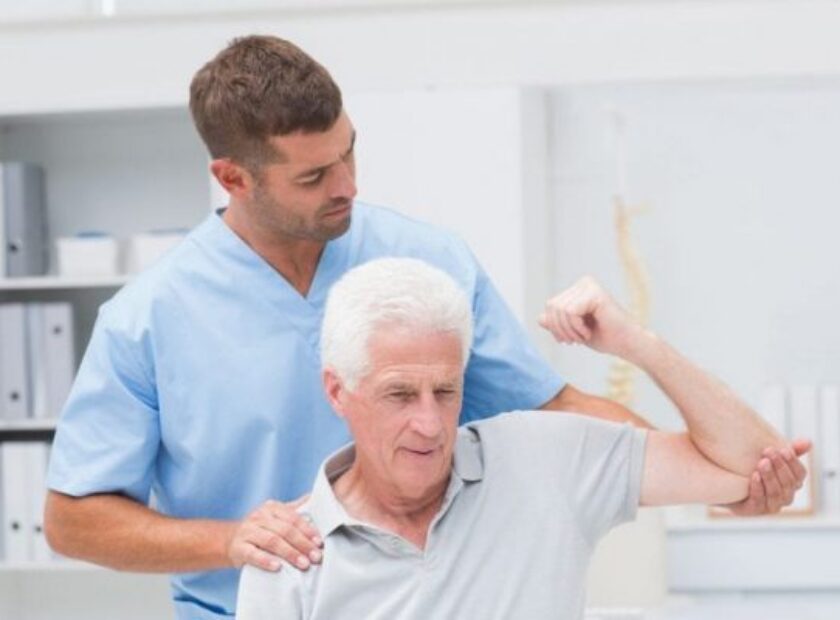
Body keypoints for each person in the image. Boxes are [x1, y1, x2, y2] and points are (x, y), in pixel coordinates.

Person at [43, 35, 807, 619]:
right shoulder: (149, 320)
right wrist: (235, 540)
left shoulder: (425, 260)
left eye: (349, 153)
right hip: (256, 598)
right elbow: (73, 520)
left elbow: (554, 414)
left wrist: (702, 474)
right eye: (314, 176)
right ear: (232, 178)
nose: (348, 186)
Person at [236, 258, 802, 619]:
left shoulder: (545, 457)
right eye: (400, 395)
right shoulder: (287, 555)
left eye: (446, 391)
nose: (430, 424)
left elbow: (750, 464)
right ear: (338, 391)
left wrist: (637, 343)